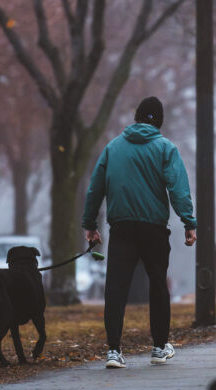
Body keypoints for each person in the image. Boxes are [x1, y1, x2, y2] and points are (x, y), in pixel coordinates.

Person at [82, 96, 197, 369]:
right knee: (158, 285)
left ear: (136, 117)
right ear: (159, 121)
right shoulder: (165, 148)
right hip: (154, 229)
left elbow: (95, 189)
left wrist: (90, 224)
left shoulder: (113, 148)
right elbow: (178, 189)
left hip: (121, 227)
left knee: (116, 288)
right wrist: (188, 222)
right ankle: (158, 347)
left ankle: (113, 351)